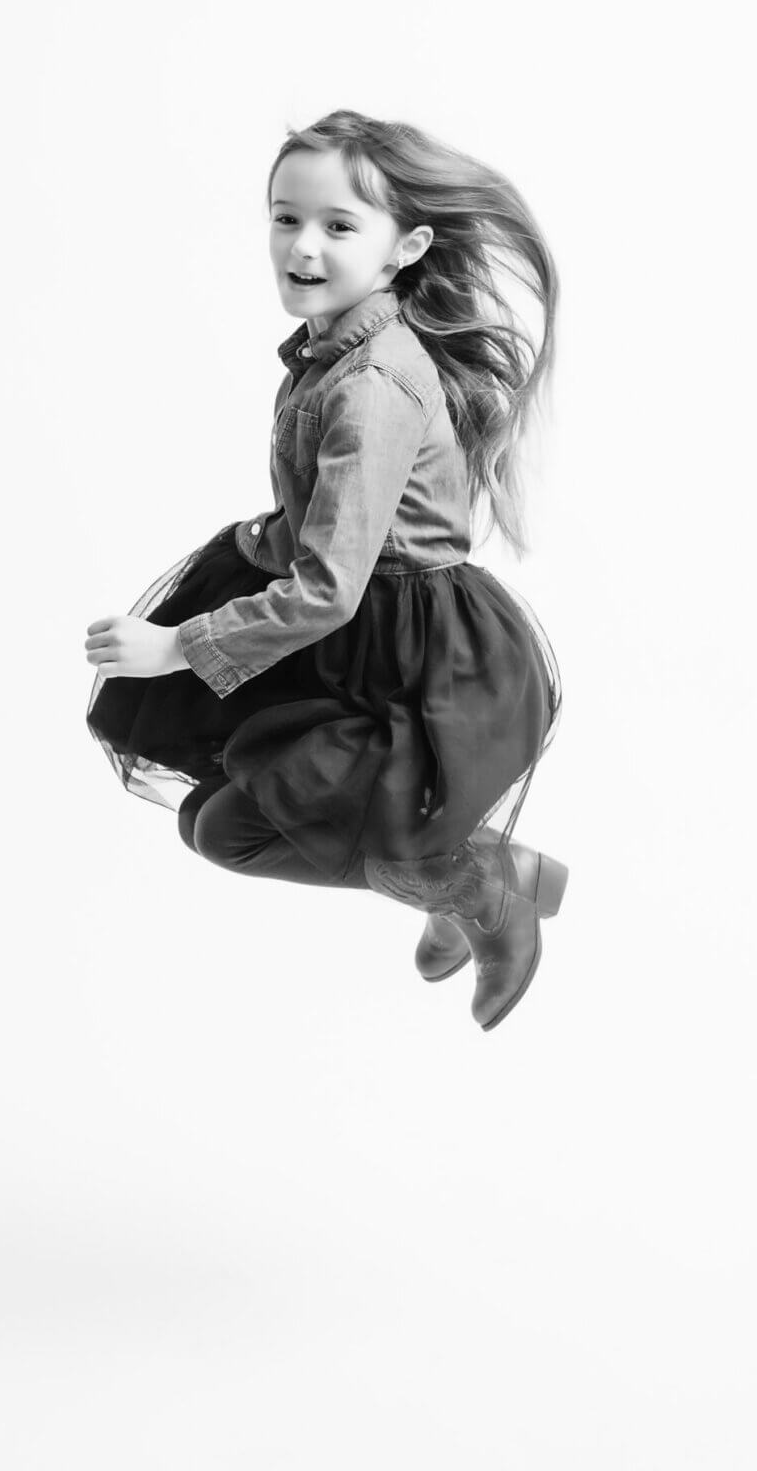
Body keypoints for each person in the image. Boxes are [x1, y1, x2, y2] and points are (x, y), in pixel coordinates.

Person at [85, 108, 568, 1032]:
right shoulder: (328, 351)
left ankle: (482, 882)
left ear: (405, 247)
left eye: (339, 225)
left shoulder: (374, 383)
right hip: (356, 631)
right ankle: (444, 870)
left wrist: (180, 645)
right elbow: (326, 530)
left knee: (236, 828)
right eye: (285, 217)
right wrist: (248, 553)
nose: (303, 246)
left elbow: (330, 585)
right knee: (207, 815)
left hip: (415, 655)